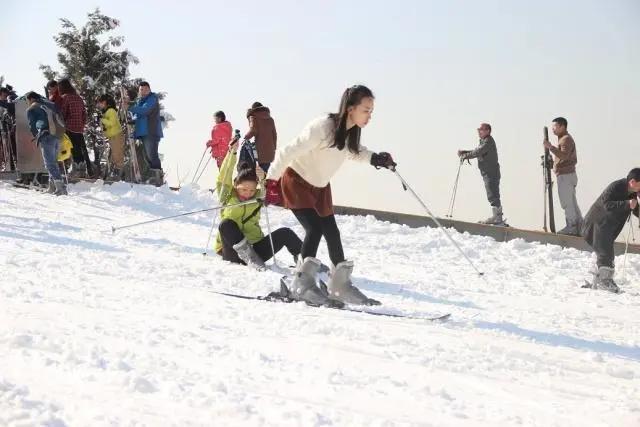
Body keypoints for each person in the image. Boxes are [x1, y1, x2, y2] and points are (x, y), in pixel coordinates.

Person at [264, 85, 395, 306]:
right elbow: (289, 150)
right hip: (297, 181)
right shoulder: (323, 126)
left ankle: (339, 286)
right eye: (366, 110)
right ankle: (301, 285)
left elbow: (355, 152)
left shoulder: (350, 131)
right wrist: (271, 180)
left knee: (332, 233)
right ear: (351, 108)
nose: (369, 115)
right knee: (314, 229)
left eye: (371, 111)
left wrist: (376, 159)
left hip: (320, 188)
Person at [214, 139, 303, 268]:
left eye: (251, 190)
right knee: (226, 224)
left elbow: (269, 189)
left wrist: (262, 178)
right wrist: (231, 153)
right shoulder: (227, 195)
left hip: (256, 251)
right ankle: (248, 256)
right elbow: (224, 175)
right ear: (235, 185)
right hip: (232, 252)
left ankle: (305, 262)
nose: (248, 193)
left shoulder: (258, 197)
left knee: (285, 232)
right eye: (244, 189)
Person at [581, 168, 640, 293]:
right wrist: (626, 204)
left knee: (603, 251)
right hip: (598, 222)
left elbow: (634, 207)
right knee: (605, 253)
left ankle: (597, 280)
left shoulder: (632, 191)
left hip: (608, 226)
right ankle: (604, 281)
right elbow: (606, 204)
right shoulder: (616, 187)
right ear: (633, 182)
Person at [458, 123, 505, 225]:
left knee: (493, 195)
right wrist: (465, 152)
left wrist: (465, 156)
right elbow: (477, 151)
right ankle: (497, 217)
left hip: (491, 173)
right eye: (478, 129)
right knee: (492, 194)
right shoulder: (484, 141)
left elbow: (478, 152)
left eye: (481, 129)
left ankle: (498, 218)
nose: (479, 131)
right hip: (487, 173)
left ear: (488, 131)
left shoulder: (488, 142)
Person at [543, 117, 583, 235]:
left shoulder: (565, 140)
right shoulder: (563, 139)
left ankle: (572, 226)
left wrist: (550, 147)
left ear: (562, 126)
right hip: (566, 175)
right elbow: (562, 159)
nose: (553, 129)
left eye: (555, 126)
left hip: (566, 176)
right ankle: (580, 227)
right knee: (571, 202)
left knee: (567, 202)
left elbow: (564, 156)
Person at [25, 92, 66, 195]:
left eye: (27, 100)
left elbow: (32, 126)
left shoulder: (31, 109)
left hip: (46, 136)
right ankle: (52, 187)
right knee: (54, 162)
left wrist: (36, 136)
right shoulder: (49, 104)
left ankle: (61, 188)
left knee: (49, 163)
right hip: (57, 135)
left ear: (30, 99)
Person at [127, 81, 164, 185]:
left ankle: (158, 178)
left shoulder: (152, 99)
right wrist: (132, 121)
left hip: (151, 132)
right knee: (147, 157)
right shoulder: (141, 101)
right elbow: (139, 116)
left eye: (144, 89)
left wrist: (130, 107)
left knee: (152, 155)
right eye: (140, 89)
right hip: (143, 132)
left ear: (149, 89)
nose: (142, 91)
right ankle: (152, 177)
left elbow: (144, 111)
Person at [58, 78, 92, 177]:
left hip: (69, 126)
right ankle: (82, 170)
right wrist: (82, 124)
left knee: (72, 148)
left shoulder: (65, 97)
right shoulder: (78, 98)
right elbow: (84, 113)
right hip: (79, 127)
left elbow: (63, 112)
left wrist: (61, 124)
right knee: (79, 148)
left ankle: (76, 170)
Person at [244, 101, 277, 173]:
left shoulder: (254, 117)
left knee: (261, 173)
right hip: (270, 150)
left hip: (260, 150)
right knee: (266, 171)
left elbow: (253, 130)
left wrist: (246, 137)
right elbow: (274, 135)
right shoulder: (270, 119)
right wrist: (274, 148)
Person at [97, 94, 125, 179]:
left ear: (105, 102)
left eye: (100, 103)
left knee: (117, 153)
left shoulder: (111, 111)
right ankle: (115, 171)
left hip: (116, 135)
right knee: (114, 154)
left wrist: (102, 119)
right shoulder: (106, 112)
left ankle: (118, 172)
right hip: (112, 136)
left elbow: (112, 123)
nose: (99, 105)